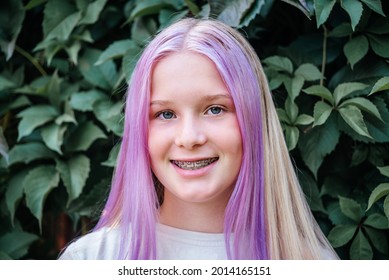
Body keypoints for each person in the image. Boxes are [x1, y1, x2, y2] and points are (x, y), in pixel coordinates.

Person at [59, 18, 338, 260]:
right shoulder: (90, 261)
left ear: (254, 121)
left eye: (215, 109)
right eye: (165, 114)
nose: (189, 138)